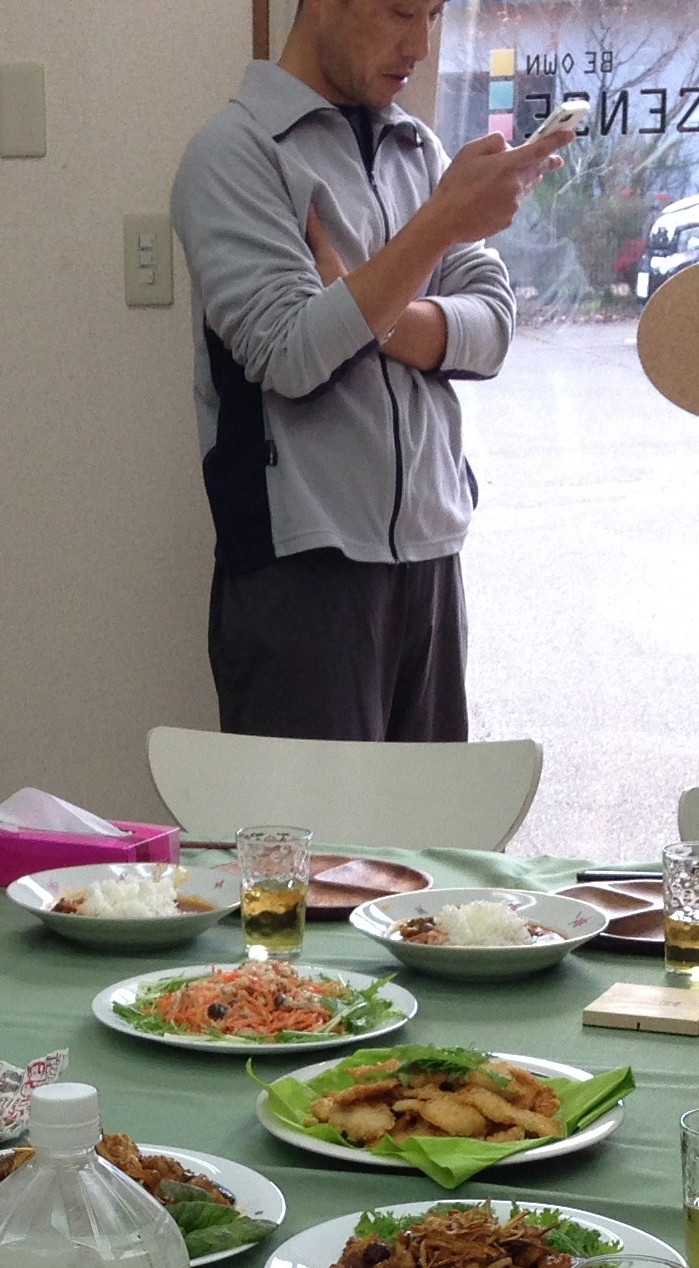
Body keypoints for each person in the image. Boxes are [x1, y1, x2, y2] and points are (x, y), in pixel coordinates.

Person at [170, 0, 571, 742]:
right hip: (302, 569)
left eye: (433, 16)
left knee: (432, 819)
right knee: (312, 823)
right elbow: (291, 353)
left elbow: (492, 327)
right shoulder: (235, 152)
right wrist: (438, 228)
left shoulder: (419, 151)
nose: (419, 45)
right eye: (399, 12)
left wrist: (361, 305)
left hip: (432, 553)